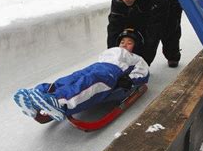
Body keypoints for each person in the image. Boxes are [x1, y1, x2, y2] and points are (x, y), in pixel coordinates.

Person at [14, 28, 149, 122]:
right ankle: (38, 95)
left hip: (111, 73)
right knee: (71, 78)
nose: (124, 45)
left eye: (129, 43)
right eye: (122, 42)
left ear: (136, 46)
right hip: (96, 66)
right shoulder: (112, 51)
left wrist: (129, 80)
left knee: (90, 82)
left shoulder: (136, 58)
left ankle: (59, 102)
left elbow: (143, 73)